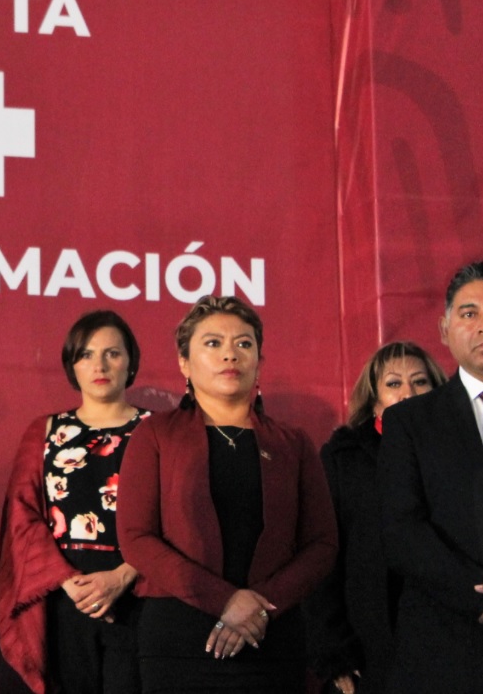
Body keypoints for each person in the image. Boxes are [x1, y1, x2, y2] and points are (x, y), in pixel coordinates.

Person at [117, 295, 336, 693]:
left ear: (259, 362)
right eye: (213, 343)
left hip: (271, 637)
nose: (230, 354)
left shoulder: (293, 443)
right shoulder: (155, 435)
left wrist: (260, 606)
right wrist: (225, 600)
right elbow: (136, 537)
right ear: (184, 363)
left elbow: (322, 544)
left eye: (243, 343)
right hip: (180, 641)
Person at [0, 310, 150, 694]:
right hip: (66, 596)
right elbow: (23, 515)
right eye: (86, 354)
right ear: (71, 365)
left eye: (112, 353)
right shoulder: (45, 430)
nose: (100, 365)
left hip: (140, 590)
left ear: (131, 361)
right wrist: (68, 582)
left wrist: (123, 575)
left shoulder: (157, 431)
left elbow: (175, 516)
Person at [378, 261, 483, 692]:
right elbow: (401, 529)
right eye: (469, 313)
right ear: (445, 330)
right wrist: (482, 596)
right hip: (446, 647)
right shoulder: (410, 422)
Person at [304, 341, 445, 694]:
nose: (408, 393)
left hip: (450, 640)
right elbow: (321, 560)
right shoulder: (343, 458)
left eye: (420, 382)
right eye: (394, 383)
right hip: (368, 648)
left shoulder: (464, 454)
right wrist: (334, 651)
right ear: (374, 399)